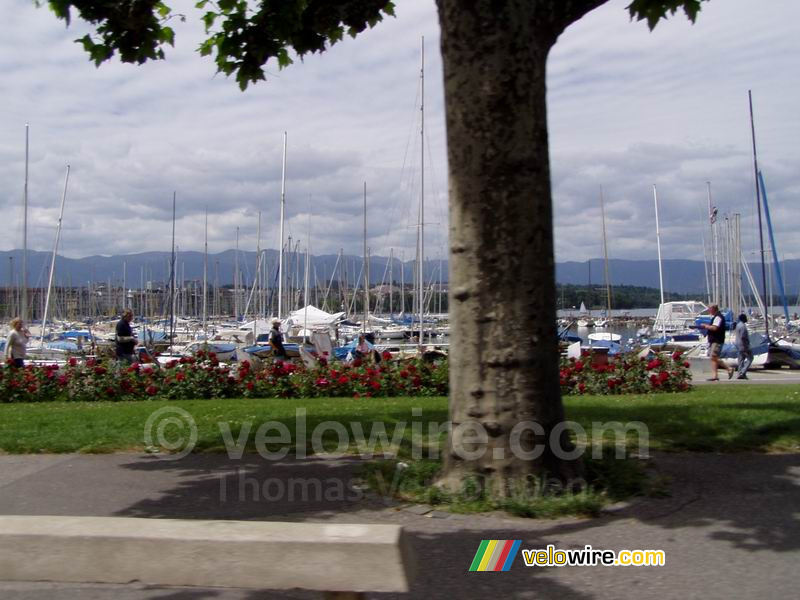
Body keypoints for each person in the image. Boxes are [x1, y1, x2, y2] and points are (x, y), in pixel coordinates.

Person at [700, 304, 733, 381]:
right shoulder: (716, 317)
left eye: (709, 309)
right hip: (714, 340)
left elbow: (715, 328)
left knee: (713, 357)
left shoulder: (718, 317)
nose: (708, 310)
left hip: (717, 340)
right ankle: (715, 375)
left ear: (713, 309)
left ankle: (728, 369)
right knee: (713, 358)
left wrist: (705, 326)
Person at [734, 313, 753, 380]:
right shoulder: (743, 327)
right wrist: (746, 346)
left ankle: (740, 374)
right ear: (744, 319)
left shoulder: (738, 325)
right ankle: (743, 372)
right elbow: (743, 337)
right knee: (750, 358)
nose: (746, 319)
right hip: (743, 345)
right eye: (746, 318)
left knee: (741, 360)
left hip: (737, 344)